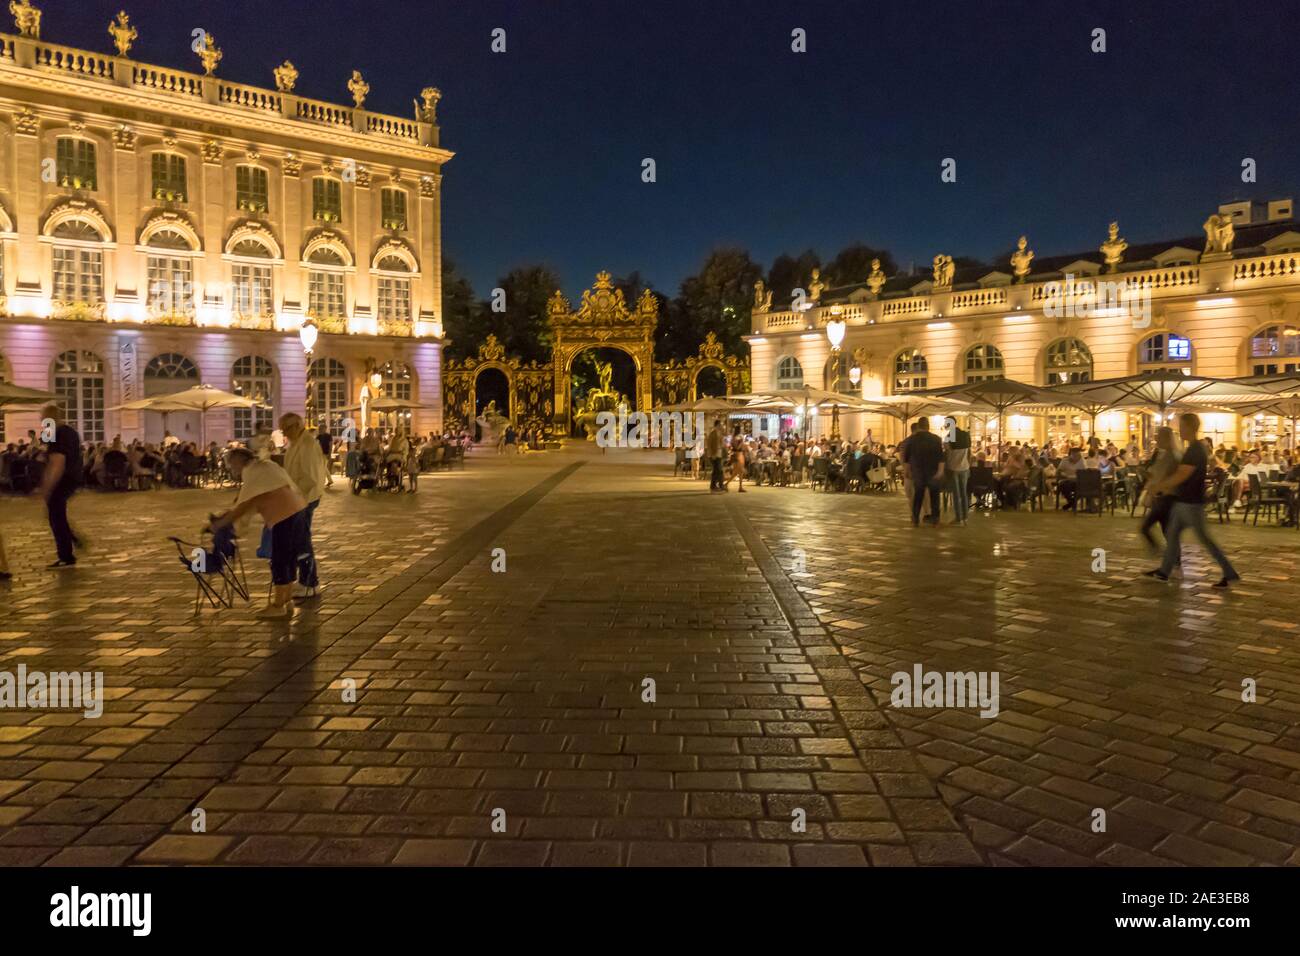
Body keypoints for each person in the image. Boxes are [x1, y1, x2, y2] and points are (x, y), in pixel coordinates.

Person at [211, 447, 308, 619]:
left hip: (283, 514)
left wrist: (222, 523)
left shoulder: (253, 471)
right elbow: (248, 498)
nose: (231, 468)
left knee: (280, 559)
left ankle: (278, 605)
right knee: (289, 556)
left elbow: (245, 504)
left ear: (240, 460)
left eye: (232, 463)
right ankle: (286, 600)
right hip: (297, 509)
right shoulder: (264, 466)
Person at [1145, 412, 1240, 588]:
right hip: (1186, 502)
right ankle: (1164, 572)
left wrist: (1159, 486)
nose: (1179, 430)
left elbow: (1182, 474)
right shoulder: (1195, 448)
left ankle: (1229, 572)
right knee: (1172, 535)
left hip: (1190, 504)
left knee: (1204, 540)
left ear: (1189, 427)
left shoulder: (1194, 450)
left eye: (1181, 427)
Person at [279, 412, 328, 600]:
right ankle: (306, 580)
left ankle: (310, 582)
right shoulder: (296, 443)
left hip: (304, 498)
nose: (285, 432)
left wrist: (297, 500)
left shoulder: (307, 445)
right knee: (299, 539)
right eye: (283, 429)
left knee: (301, 540)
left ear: (298, 426)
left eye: (287, 428)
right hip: (298, 498)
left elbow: (310, 478)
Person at [36, 404, 83, 569]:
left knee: (56, 516)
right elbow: (45, 451)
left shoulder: (57, 432)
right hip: (74, 476)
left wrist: (47, 486)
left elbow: (57, 462)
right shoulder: (69, 431)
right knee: (56, 513)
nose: (40, 420)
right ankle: (71, 540)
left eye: (42, 417)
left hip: (63, 477)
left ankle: (66, 555)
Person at [1138, 425, 1181, 556]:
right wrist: (1144, 474)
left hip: (1167, 498)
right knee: (1166, 530)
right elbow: (1156, 476)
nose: (1157, 440)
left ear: (1167, 438)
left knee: (1148, 528)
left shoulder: (1173, 456)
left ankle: (1161, 552)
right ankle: (1173, 557)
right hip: (1161, 497)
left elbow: (1170, 478)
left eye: (1159, 437)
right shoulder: (1163, 455)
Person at [901, 417, 944, 526]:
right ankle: (935, 519)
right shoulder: (936, 439)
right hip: (933, 472)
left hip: (918, 472)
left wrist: (907, 472)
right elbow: (941, 458)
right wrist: (940, 472)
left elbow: (906, 459)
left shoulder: (911, 440)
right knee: (934, 497)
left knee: (918, 496)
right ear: (928, 426)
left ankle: (915, 519)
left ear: (919, 426)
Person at [944, 418, 971, 525]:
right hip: (965, 467)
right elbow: (969, 453)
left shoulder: (948, 437)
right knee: (964, 493)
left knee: (956, 494)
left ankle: (958, 518)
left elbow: (947, 454)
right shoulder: (965, 435)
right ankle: (965, 517)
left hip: (954, 468)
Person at [706, 419, 726, 492]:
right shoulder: (712, 433)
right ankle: (720, 485)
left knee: (716, 471)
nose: (722, 426)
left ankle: (714, 486)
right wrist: (711, 454)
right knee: (719, 470)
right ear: (717, 425)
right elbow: (709, 445)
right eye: (721, 425)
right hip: (714, 455)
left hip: (719, 454)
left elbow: (721, 444)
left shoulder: (720, 433)